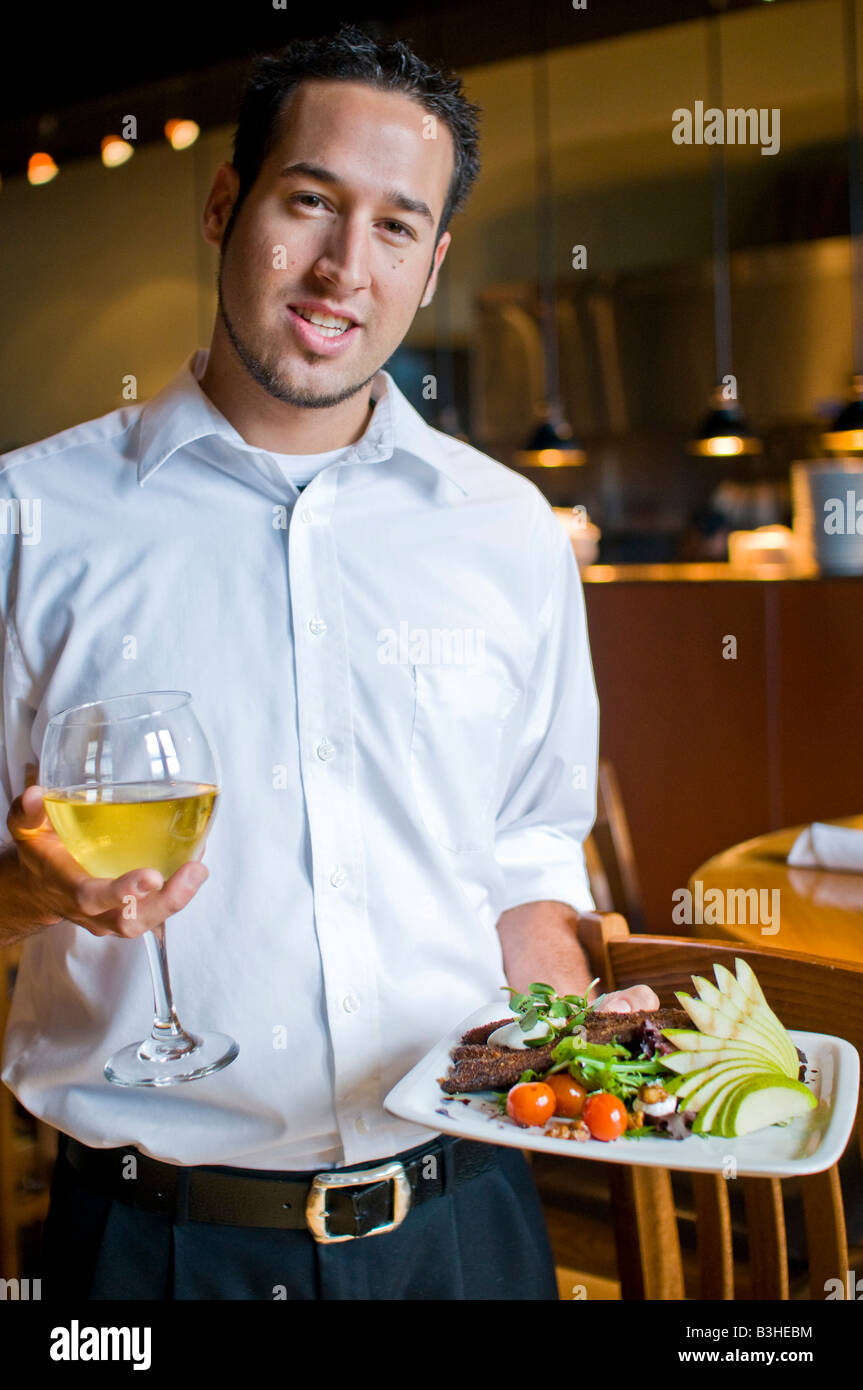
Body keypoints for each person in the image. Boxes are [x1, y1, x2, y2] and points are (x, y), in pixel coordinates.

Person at [0, 24, 658, 1301]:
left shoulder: (508, 529)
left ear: (432, 261)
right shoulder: (29, 522)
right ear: (223, 203)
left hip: (467, 1223)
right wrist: (33, 896)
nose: (343, 269)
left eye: (396, 226)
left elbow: (527, 858)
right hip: (151, 1253)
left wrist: (574, 1027)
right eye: (310, 202)